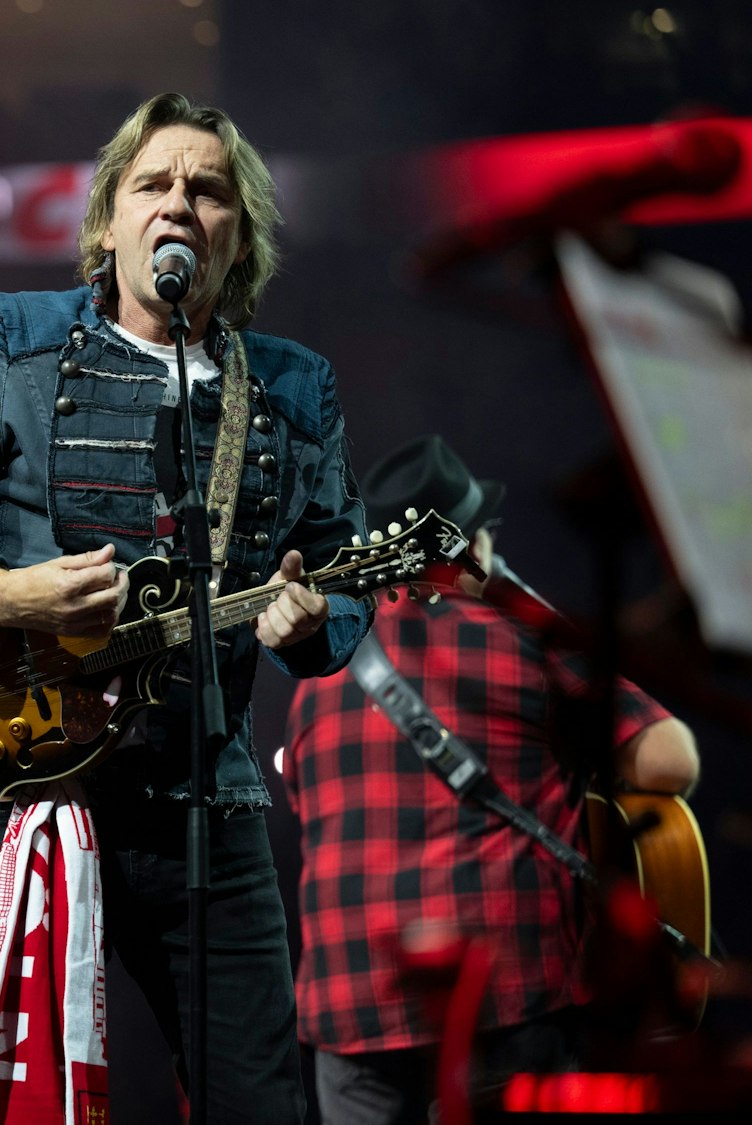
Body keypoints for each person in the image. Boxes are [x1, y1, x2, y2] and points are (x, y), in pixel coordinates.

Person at [0, 92, 374, 1120]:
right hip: (30, 788)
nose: (178, 203)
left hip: (207, 801)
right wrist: (0, 590)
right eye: (152, 184)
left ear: (237, 237)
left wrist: (315, 622)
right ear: (106, 223)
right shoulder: (12, 339)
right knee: (40, 1103)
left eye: (207, 191)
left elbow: (341, 572)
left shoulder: (293, 388)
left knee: (260, 1102)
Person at [282, 434, 699, 1123]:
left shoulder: (315, 678)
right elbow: (670, 758)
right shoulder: (518, 640)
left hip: (351, 1012)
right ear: (473, 547)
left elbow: (307, 807)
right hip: (502, 997)